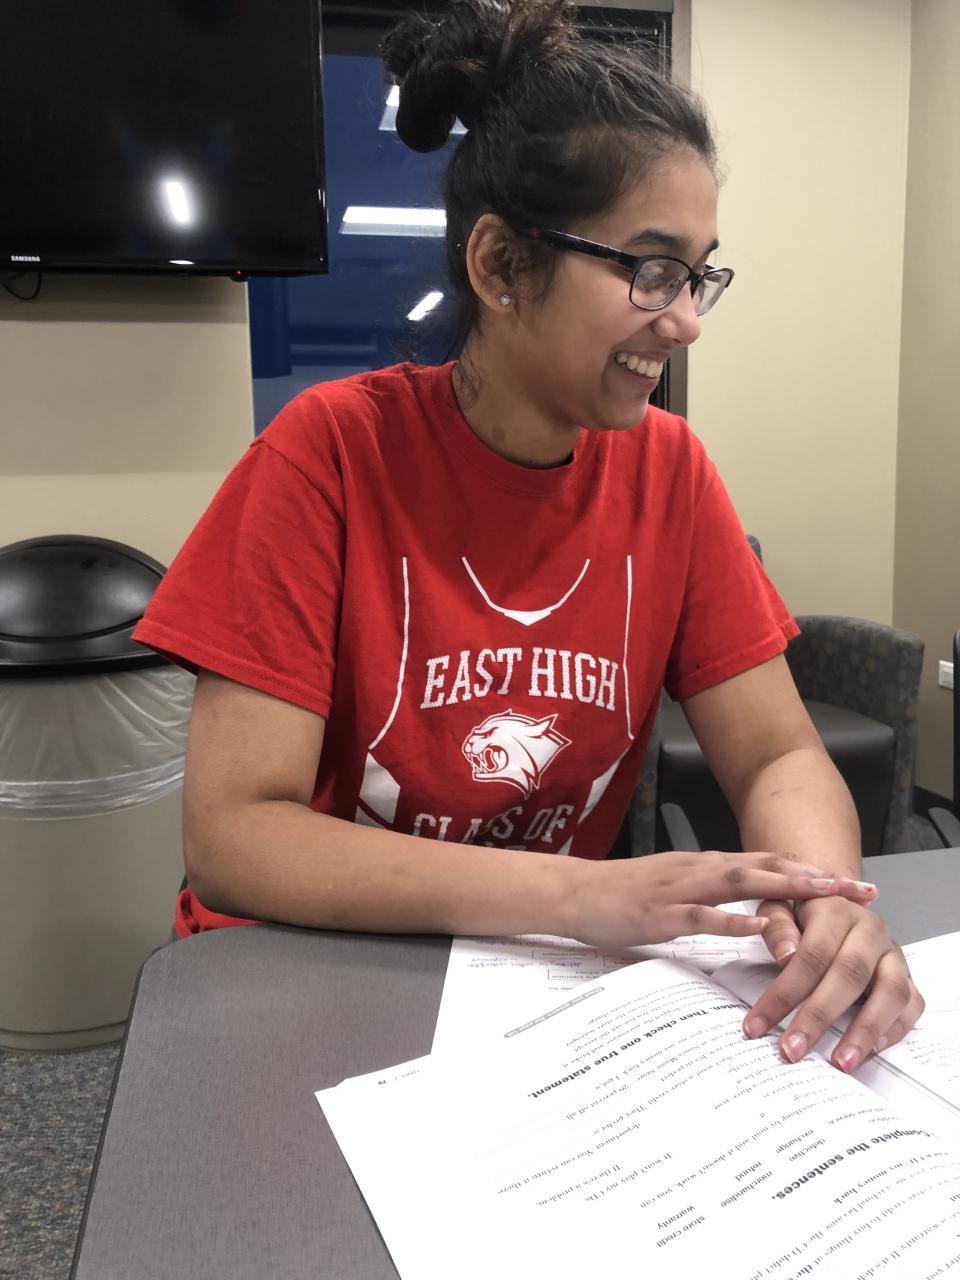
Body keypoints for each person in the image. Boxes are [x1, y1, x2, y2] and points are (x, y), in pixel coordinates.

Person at [133, 0, 922, 1072]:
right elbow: (233, 836)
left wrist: (821, 899)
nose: (686, 319)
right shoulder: (327, 455)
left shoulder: (671, 473)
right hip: (307, 966)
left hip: (527, 985)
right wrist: (577, 893)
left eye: (698, 275)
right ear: (501, 265)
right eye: (651, 270)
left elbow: (778, 750)